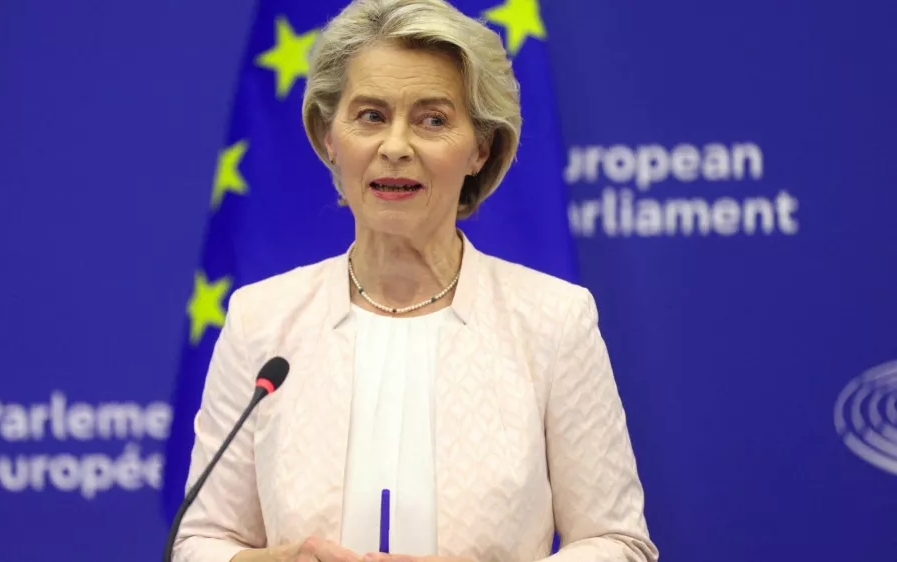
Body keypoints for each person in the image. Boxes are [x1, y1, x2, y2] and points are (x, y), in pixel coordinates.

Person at [173, 0, 659, 561]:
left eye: (433, 120)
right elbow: (201, 540)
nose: (396, 147)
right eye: (370, 116)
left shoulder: (552, 320)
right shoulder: (263, 320)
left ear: (480, 147)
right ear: (328, 136)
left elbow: (618, 543)